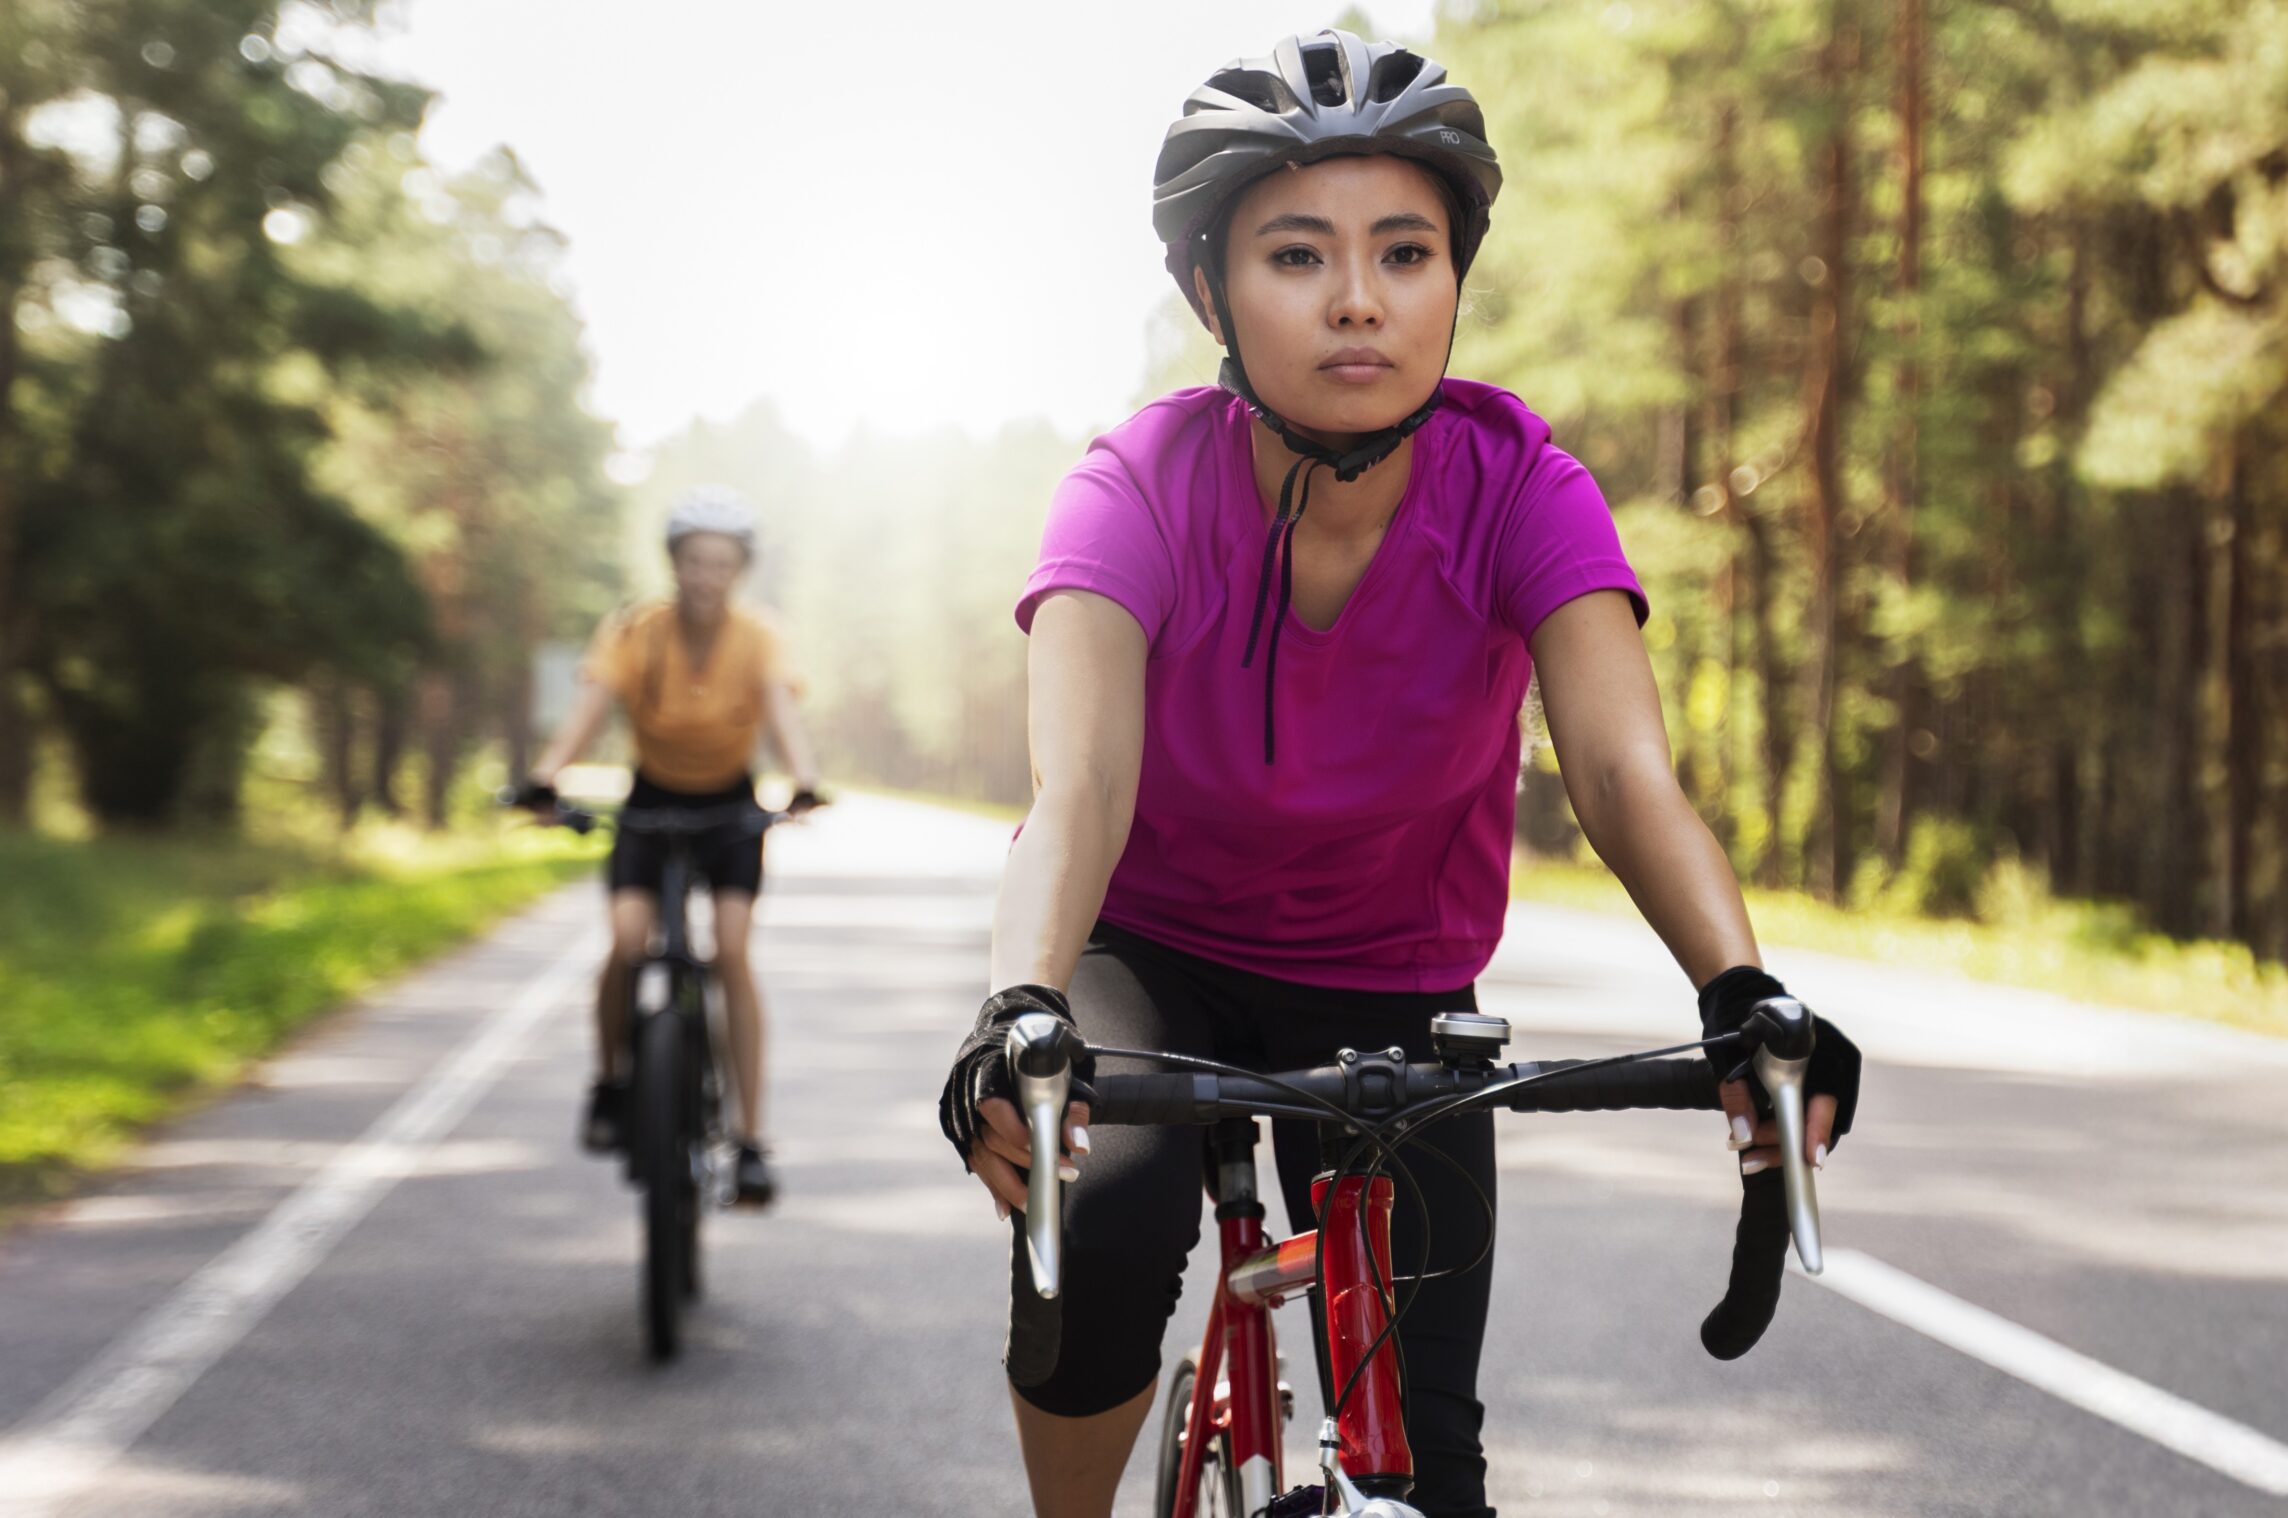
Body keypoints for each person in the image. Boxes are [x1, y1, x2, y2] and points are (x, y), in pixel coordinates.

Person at [937, 31, 1862, 1517]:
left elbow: (1626, 775)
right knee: (1102, 1233)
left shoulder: (1523, 487)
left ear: (1453, 279)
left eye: (1405, 252)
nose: (1359, 299)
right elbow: (1082, 790)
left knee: (1430, 1477)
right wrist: (1023, 1002)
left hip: (1391, 979)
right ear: (1210, 292)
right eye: (1297, 254)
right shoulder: (1131, 490)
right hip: (1148, 954)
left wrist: (1740, 989)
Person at [523, 485, 822, 1209]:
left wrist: (805, 780)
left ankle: (749, 1140)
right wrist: (545, 776)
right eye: (694, 560)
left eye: (721, 563)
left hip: (730, 809)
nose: (706, 575)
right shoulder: (634, 631)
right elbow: (589, 710)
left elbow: (781, 713)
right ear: (675, 563)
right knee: (627, 942)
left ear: (739, 569)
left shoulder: (759, 636)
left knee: (731, 950)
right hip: (650, 804)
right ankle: (611, 1082)